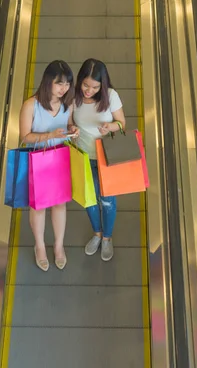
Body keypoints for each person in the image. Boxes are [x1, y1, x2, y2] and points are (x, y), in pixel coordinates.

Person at [19, 60, 79, 271]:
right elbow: (25, 137)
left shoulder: (68, 103)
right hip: (39, 158)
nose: (64, 89)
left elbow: (68, 123)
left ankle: (59, 246)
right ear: (48, 82)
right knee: (39, 205)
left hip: (61, 155)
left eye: (67, 84)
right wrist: (49, 135)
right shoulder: (31, 105)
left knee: (60, 204)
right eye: (59, 84)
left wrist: (73, 129)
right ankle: (40, 246)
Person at [73, 58, 126, 261]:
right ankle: (97, 233)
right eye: (85, 85)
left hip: (106, 156)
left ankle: (107, 238)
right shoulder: (73, 96)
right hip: (82, 156)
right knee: (89, 200)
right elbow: (69, 121)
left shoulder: (111, 96)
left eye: (95, 87)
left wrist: (110, 127)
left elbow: (121, 123)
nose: (89, 90)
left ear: (102, 85)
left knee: (107, 201)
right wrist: (72, 129)